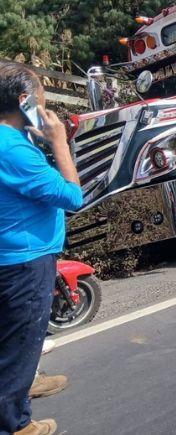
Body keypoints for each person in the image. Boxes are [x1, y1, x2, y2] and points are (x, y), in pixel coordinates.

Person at [0, 62, 83, 435]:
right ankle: (15, 426)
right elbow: (71, 195)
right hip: (24, 262)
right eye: (39, 98)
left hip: (12, 256)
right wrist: (59, 141)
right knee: (18, 346)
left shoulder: (13, 143)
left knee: (15, 344)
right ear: (24, 101)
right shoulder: (14, 150)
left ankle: (23, 399)